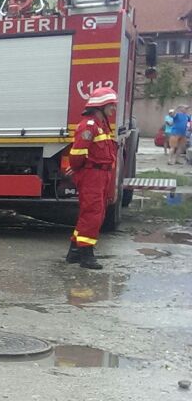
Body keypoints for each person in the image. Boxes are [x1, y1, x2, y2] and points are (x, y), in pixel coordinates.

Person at [65, 87, 119, 270]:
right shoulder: (89, 126)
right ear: (101, 105)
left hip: (100, 175)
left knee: (94, 213)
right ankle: (86, 255)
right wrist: (77, 168)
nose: (113, 108)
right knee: (92, 214)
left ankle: (74, 252)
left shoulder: (101, 124)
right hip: (92, 175)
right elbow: (77, 154)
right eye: (111, 105)